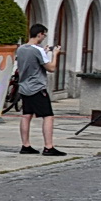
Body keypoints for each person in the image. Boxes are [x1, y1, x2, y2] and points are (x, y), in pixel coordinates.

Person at [16, 24, 64, 156]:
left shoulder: (21, 49)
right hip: (37, 87)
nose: (44, 37)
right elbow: (51, 68)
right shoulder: (38, 50)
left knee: (26, 115)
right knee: (48, 116)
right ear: (40, 34)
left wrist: (44, 51)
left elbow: (30, 61)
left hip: (24, 86)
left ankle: (25, 145)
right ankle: (48, 146)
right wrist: (55, 54)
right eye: (44, 35)